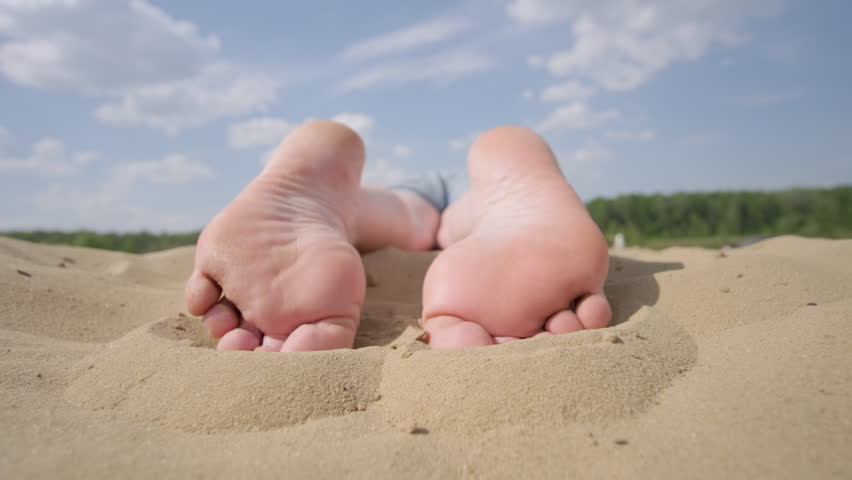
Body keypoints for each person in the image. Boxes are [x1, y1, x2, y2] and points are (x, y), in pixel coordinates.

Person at [184, 120, 611, 351]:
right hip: (480, 193)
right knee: (467, 217)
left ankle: (331, 199)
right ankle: (510, 165)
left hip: (409, 193)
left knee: (408, 217)